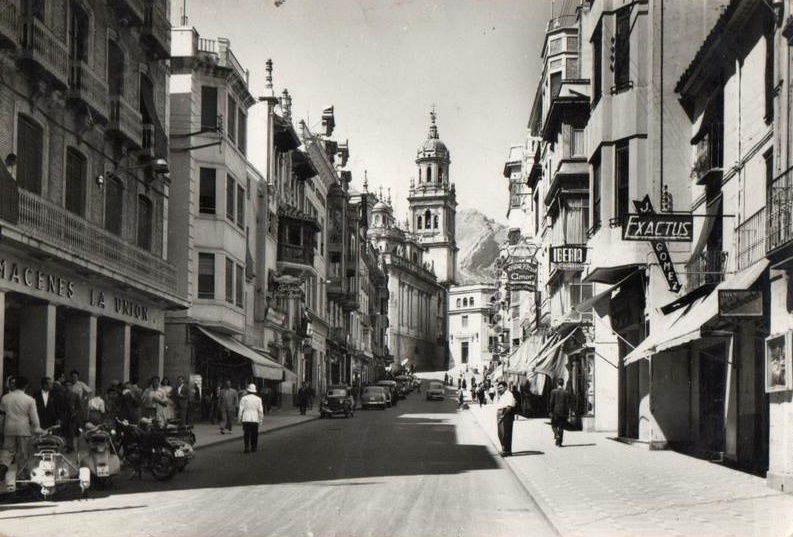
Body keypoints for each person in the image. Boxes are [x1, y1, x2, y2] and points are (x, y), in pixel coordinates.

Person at [0, 376, 43, 480]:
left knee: (7, 450)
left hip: (9, 427)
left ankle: (2, 467)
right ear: (26, 386)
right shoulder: (29, 400)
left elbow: (2, 413)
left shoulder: (5, 398)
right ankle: (21, 476)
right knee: (23, 453)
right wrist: (37, 428)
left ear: (15, 385)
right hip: (23, 429)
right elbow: (34, 417)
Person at [238, 383, 264, 453]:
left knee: (246, 434)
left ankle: (246, 447)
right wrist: (261, 419)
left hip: (246, 418)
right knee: (254, 434)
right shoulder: (258, 399)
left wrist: (239, 419)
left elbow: (240, 410)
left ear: (248, 391)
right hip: (255, 418)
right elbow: (260, 410)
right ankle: (254, 447)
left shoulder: (243, 398)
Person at [495, 381, 517, 457]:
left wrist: (502, 416)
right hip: (501, 413)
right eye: (498, 388)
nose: (499, 389)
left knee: (506, 433)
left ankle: (507, 451)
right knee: (500, 433)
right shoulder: (502, 395)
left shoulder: (509, 394)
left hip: (506, 415)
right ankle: (504, 449)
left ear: (505, 387)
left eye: (501, 388)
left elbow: (509, 407)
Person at [549, 378, 571, 447]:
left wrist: (550, 410)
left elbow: (551, 402)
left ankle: (556, 434)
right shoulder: (566, 392)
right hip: (563, 412)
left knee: (553, 425)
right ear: (563, 384)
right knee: (561, 427)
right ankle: (559, 442)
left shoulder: (553, 391)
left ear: (557, 384)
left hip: (555, 412)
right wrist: (568, 413)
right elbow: (567, 404)